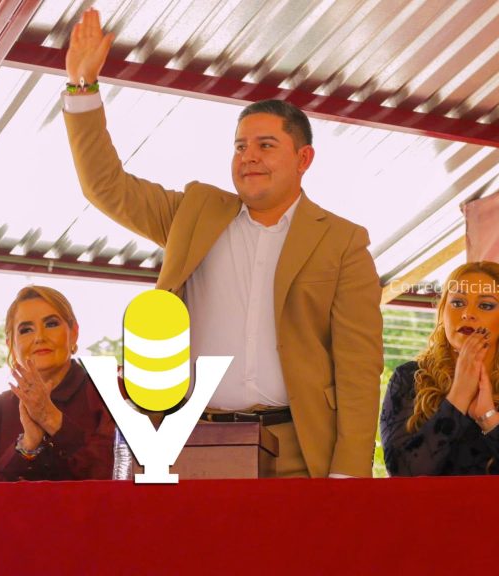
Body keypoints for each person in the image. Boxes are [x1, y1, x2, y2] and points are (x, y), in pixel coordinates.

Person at [61, 10, 383, 478]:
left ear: (304, 158)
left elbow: (359, 368)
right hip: (194, 443)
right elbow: (105, 187)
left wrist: (347, 474)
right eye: (240, 146)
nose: (248, 157)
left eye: (266, 145)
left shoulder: (342, 241)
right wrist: (82, 87)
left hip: (298, 454)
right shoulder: (194, 213)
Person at [380, 262, 499, 476]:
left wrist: (490, 419)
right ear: (443, 312)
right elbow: (401, 473)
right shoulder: (409, 379)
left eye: (485, 305)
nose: (468, 313)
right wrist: (458, 397)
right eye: (457, 302)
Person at [0, 286, 115, 480]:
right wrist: (26, 446)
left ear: (74, 333)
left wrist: (52, 420)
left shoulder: (111, 393)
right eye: (26, 330)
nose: (40, 337)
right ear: (11, 345)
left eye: (51, 324)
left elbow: (118, 473)